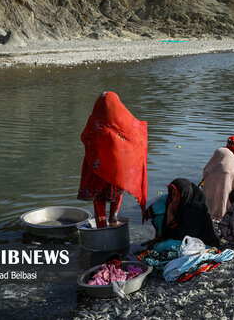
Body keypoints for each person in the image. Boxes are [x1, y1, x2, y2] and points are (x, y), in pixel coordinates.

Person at [77, 91, 148, 228]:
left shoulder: (94, 122)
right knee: (117, 193)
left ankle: (101, 225)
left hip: (96, 171)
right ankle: (113, 219)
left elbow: (84, 137)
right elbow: (133, 136)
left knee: (98, 198)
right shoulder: (120, 122)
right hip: (115, 171)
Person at [146, 178, 221, 248]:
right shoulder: (174, 201)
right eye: (172, 194)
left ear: (184, 195)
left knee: (161, 247)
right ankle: (158, 239)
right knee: (160, 214)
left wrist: (170, 216)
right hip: (176, 235)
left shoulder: (195, 209)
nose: (173, 198)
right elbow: (156, 211)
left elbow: (181, 236)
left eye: (176, 195)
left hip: (195, 241)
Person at [201, 148, 234, 220]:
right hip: (233, 199)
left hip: (216, 195)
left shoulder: (216, 167)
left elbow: (206, 171)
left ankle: (213, 212)